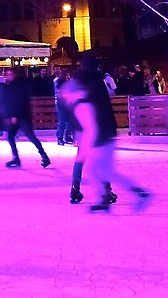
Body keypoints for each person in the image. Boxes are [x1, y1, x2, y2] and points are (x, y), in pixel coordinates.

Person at [62, 63, 149, 212]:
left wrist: (86, 147)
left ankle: (139, 194)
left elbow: (90, 128)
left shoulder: (81, 103)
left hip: (101, 139)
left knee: (101, 171)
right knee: (98, 170)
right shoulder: (88, 94)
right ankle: (105, 198)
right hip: (103, 136)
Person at [0, 65, 50, 170]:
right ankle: (16, 158)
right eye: (7, 74)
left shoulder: (20, 86)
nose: (8, 76)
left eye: (10, 74)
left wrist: (15, 115)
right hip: (16, 116)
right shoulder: (10, 85)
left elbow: (20, 101)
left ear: (15, 74)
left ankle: (44, 156)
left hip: (23, 116)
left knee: (31, 137)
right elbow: (7, 100)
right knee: (10, 136)